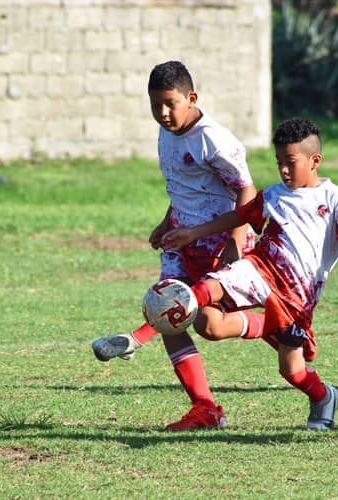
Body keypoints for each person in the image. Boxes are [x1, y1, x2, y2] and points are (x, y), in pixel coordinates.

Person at [161, 117, 338, 431]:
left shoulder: (333, 198)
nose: (284, 171)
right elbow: (239, 215)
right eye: (279, 163)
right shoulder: (274, 194)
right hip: (259, 267)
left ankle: (323, 395)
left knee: (291, 370)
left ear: (315, 161)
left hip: (296, 297)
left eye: (291, 162)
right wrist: (194, 232)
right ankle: (141, 335)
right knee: (208, 301)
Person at [91, 60, 260, 431]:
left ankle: (281, 326)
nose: (163, 113)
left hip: (218, 241)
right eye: (155, 105)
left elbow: (246, 191)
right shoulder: (167, 132)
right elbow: (185, 187)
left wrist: (234, 241)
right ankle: (205, 408)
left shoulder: (212, 138)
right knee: (172, 313)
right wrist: (168, 221)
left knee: (211, 326)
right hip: (181, 240)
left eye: (170, 103)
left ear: (191, 98)